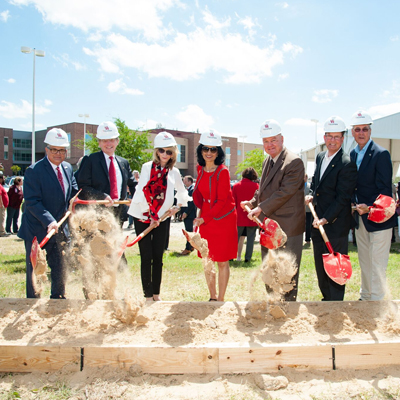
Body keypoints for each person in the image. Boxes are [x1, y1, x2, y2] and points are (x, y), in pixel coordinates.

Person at [243, 119, 305, 301]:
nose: (269, 145)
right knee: (270, 269)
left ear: (282, 139)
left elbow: (284, 192)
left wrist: (261, 207)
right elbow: (263, 190)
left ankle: (287, 307)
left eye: (273, 140)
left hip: (288, 227)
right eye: (266, 141)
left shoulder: (294, 162)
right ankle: (272, 303)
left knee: (287, 271)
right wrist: (253, 202)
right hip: (269, 225)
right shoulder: (267, 162)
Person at [128, 132, 190, 301]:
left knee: (158, 256)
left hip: (163, 218)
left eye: (169, 151)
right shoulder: (147, 167)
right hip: (142, 215)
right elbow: (142, 191)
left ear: (173, 153)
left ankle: (156, 294)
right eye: (161, 150)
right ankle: (147, 295)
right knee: (146, 256)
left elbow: (183, 193)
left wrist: (177, 207)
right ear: (156, 151)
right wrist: (151, 215)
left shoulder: (175, 172)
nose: (164, 154)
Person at [18, 128, 78, 298]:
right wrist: (50, 221)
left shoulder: (67, 168)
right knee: (35, 270)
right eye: (54, 149)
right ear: (46, 149)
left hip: (60, 230)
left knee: (59, 267)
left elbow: (73, 193)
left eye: (62, 150)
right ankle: (32, 302)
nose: (58, 154)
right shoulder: (33, 171)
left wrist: (77, 203)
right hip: (37, 230)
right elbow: (32, 201)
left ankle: (58, 299)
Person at [305, 116, 357, 301]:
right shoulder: (320, 157)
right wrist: (311, 193)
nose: (333, 140)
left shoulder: (346, 163)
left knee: (335, 268)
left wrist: (326, 219)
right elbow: (317, 183)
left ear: (343, 138)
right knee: (321, 266)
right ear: (324, 137)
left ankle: (335, 304)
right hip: (318, 223)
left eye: (337, 136)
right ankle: (326, 301)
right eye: (329, 136)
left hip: (334, 225)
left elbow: (343, 197)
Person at [350, 110, 398, 301]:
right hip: (361, 219)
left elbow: (385, 190)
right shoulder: (352, 154)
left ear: (370, 131)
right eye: (357, 129)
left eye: (365, 129)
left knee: (378, 264)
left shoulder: (381, 154)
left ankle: (376, 301)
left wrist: (369, 207)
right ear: (352, 132)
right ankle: (366, 296)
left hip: (380, 219)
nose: (361, 133)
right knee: (365, 262)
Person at [192, 131, 238, 301]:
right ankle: (212, 296)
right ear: (200, 150)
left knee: (222, 261)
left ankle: (221, 299)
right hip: (206, 219)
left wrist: (205, 218)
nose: (209, 153)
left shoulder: (223, 171)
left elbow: (221, 200)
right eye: (205, 148)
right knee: (207, 258)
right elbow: (200, 197)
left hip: (223, 220)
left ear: (218, 152)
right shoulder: (199, 169)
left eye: (213, 149)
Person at [77, 121, 135, 226]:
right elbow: (83, 187)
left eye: (111, 140)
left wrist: (135, 199)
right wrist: (102, 196)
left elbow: (133, 184)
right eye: (104, 141)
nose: (108, 144)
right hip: (96, 215)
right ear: (99, 142)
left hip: (118, 215)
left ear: (117, 141)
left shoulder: (124, 163)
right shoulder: (90, 160)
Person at [232, 167, 259, 262]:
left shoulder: (236, 186)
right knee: (251, 239)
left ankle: (231, 256)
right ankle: (247, 258)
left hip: (238, 217)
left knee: (235, 239)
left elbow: (233, 203)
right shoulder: (256, 186)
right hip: (252, 216)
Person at [180, 175, 196, 255]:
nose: (184, 182)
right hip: (188, 214)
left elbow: (191, 203)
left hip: (190, 214)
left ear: (190, 182)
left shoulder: (192, 190)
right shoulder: (188, 189)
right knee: (189, 231)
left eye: (185, 181)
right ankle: (191, 246)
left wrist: (186, 212)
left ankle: (188, 248)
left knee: (189, 232)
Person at [0, 172, 10, 237]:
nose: (4, 179)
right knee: (1, 218)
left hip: (2, 205)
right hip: (1, 206)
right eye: (3, 178)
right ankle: (1, 232)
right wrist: (1, 204)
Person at [304, 174, 312, 244]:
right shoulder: (298, 186)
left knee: (308, 224)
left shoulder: (310, 186)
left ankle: (308, 239)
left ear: (306, 177)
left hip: (308, 209)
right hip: (300, 209)